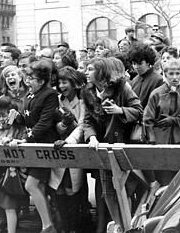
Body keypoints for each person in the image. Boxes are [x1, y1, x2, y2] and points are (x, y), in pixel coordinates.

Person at [68, 57, 142, 232]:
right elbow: (87, 121)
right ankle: (118, 224)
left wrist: (119, 110)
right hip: (102, 146)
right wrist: (91, 138)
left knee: (124, 189)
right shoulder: (88, 92)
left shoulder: (122, 87)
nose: (86, 72)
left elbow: (139, 110)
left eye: (91, 69)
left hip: (123, 144)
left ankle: (127, 224)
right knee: (107, 191)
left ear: (101, 73)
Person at [9, 60, 59, 233]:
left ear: (43, 80)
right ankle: (47, 224)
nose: (28, 81)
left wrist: (26, 139)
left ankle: (48, 225)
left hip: (44, 147)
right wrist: (18, 118)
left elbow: (45, 123)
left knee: (31, 185)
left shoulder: (50, 94)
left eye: (32, 78)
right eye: (28, 77)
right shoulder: (30, 95)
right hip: (33, 145)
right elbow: (30, 120)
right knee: (38, 187)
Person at [0, 96, 27, 233]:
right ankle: (6, 223)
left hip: (10, 172)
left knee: (9, 205)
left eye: (4, 115)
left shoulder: (19, 128)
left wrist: (15, 142)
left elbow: (25, 141)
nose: (1, 119)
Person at [50, 66, 87, 233]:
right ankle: (63, 227)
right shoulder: (58, 100)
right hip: (59, 148)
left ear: (74, 83)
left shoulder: (83, 101)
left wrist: (70, 137)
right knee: (59, 189)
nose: (62, 86)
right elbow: (56, 127)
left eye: (65, 82)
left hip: (74, 150)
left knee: (74, 189)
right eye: (59, 82)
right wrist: (64, 124)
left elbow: (83, 125)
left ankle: (75, 227)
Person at [143, 59, 180, 185]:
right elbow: (148, 119)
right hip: (161, 140)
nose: (175, 77)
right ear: (165, 74)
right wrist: (152, 141)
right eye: (171, 74)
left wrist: (175, 120)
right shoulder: (157, 93)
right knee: (163, 178)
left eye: (178, 73)